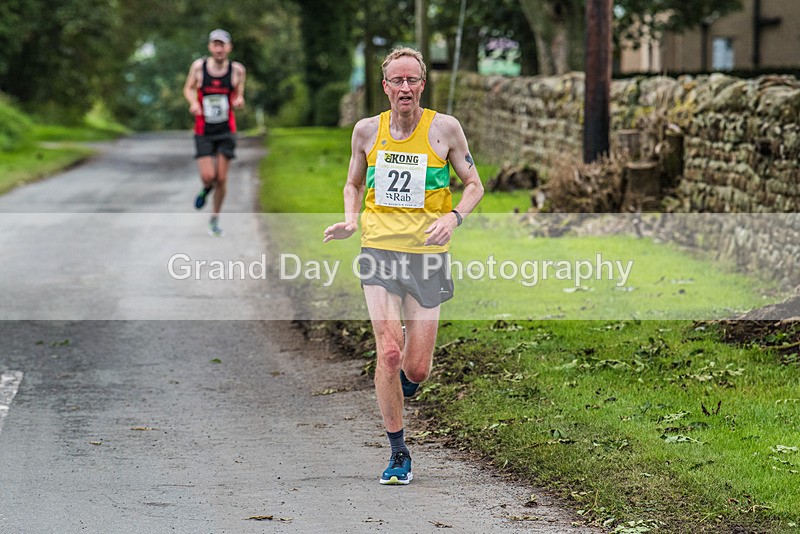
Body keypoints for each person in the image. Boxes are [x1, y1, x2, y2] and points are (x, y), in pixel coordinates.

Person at [323, 47, 484, 485]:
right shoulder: (366, 132)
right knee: (389, 352)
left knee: (416, 368)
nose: (405, 87)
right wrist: (350, 221)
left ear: (422, 85)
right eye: (397, 80)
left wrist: (453, 219)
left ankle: (401, 384)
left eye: (413, 80)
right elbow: (353, 182)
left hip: (428, 258)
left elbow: (474, 185)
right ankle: (398, 452)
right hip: (379, 252)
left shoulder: (445, 130)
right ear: (386, 87)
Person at [183, 28, 246, 237]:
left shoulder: (237, 70)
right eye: (215, 44)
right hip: (204, 130)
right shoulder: (199, 67)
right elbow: (188, 88)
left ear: (229, 48)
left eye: (223, 44)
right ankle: (205, 188)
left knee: (222, 178)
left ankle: (215, 218)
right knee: (208, 176)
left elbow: (238, 94)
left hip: (226, 130)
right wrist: (193, 103)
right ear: (210, 47)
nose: (219, 48)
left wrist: (238, 100)